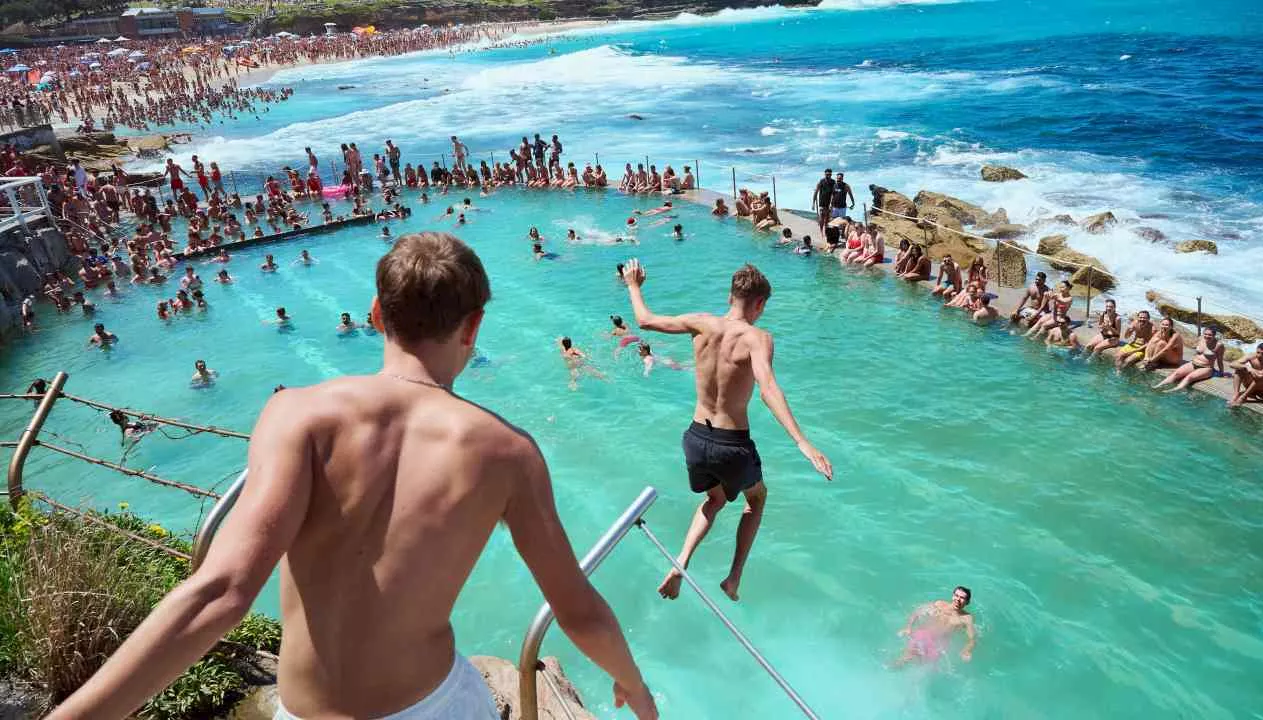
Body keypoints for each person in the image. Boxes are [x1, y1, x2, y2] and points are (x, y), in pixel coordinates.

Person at [49, 232, 657, 720]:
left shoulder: (296, 414)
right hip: (436, 705)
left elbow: (220, 591)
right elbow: (576, 607)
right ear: (473, 327)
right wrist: (635, 685)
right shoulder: (507, 451)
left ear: (374, 313)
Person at [621, 258, 832, 602]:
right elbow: (768, 389)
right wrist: (802, 442)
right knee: (757, 499)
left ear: (730, 295)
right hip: (731, 444)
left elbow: (645, 320)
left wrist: (633, 285)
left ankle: (682, 560)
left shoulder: (701, 324)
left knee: (715, 498)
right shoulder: (758, 338)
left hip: (695, 438)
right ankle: (733, 578)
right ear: (760, 304)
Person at [893, 586, 977, 666]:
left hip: (940, 644)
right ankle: (893, 668)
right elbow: (918, 611)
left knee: (926, 666)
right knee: (907, 657)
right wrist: (908, 627)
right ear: (952, 596)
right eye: (956, 595)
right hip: (924, 634)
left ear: (967, 602)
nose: (958, 599)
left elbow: (972, 639)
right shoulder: (940, 604)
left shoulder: (966, 618)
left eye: (962, 598)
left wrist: (967, 650)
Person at [1155, 326, 1225, 391]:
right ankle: (1157, 386)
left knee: (1189, 377)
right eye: (1205, 334)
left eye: (1210, 335)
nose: (1207, 336)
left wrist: (1221, 372)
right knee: (1176, 373)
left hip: (1206, 368)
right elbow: (1197, 351)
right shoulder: (1201, 338)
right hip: (1193, 363)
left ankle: (1172, 391)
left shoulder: (1219, 345)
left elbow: (1220, 360)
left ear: (1214, 335)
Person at [1227, 342, 1263, 407]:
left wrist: (1253, 371)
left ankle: (1243, 397)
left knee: (1260, 376)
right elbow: (1232, 364)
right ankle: (1236, 394)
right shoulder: (1251, 356)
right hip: (1253, 385)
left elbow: (1262, 375)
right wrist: (1247, 367)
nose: (1259, 355)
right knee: (1239, 369)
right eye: (1258, 352)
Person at [811, 169, 834, 237]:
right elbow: (816, 192)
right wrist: (813, 203)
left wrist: (831, 204)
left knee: (827, 219)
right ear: (824, 174)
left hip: (829, 203)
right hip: (822, 202)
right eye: (827, 174)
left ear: (831, 175)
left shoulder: (833, 182)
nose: (828, 176)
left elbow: (833, 193)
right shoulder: (821, 181)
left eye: (829, 175)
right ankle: (821, 231)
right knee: (821, 218)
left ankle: (825, 231)